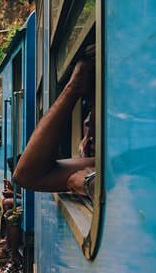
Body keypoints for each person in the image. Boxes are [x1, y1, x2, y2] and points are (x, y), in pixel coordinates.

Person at [14, 47, 96, 197]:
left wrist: (73, 87)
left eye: (92, 107)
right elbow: (26, 175)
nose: (87, 122)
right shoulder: (111, 163)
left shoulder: (118, 164)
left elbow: (28, 175)